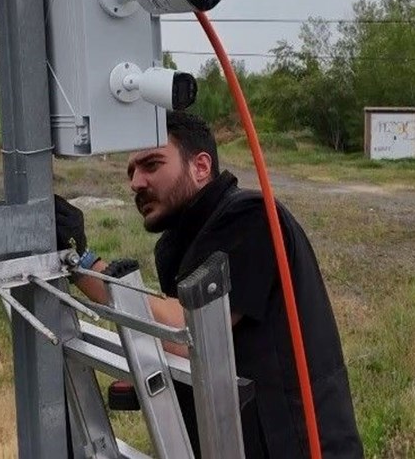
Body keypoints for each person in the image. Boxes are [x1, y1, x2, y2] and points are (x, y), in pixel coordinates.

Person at [54, 111, 363, 458]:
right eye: (131, 172)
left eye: (151, 165)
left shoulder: (250, 217)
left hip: (293, 445)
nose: (136, 183)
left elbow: (187, 331)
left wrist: (82, 263)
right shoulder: (186, 239)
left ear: (201, 167)